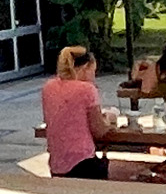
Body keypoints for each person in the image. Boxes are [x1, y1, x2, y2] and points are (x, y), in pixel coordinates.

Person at [41, 46, 114, 179]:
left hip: (57, 163)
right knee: (136, 170)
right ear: (85, 67)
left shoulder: (48, 87)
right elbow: (99, 130)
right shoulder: (86, 89)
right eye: (93, 71)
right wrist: (109, 121)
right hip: (83, 163)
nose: (94, 77)